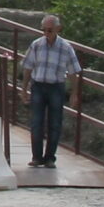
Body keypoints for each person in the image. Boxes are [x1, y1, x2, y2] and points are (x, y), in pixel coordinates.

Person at [21, 14, 79, 168]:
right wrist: (24, 88)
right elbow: (28, 67)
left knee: (55, 123)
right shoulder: (36, 45)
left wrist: (74, 93)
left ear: (58, 29)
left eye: (50, 30)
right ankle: (36, 157)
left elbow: (73, 71)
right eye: (44, 30)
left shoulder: (66, 48)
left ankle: (50, 158)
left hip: (56, 86)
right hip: (38, 85)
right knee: (36, 122)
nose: (47, 33)